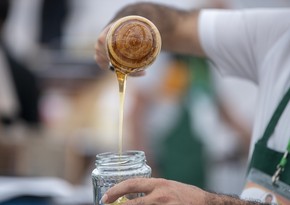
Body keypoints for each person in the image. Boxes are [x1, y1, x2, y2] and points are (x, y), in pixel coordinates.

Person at [95, 2, 290, 205]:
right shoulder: (163, 60)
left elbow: (218, 105)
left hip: (198, 156)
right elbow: (137, 110)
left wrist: (205, 200)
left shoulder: (204, 66)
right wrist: (122, 26)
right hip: (168, 151)